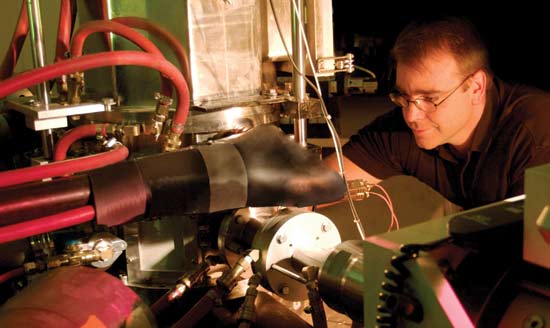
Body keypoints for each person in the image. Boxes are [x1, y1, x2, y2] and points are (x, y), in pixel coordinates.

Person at [324, 16, 550, 210]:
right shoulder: (407, 128)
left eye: (430, 98)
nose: (412, 116)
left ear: (476, 87)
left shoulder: (537, 135)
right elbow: (309, 187)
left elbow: (538, 247)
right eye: (403, 96)